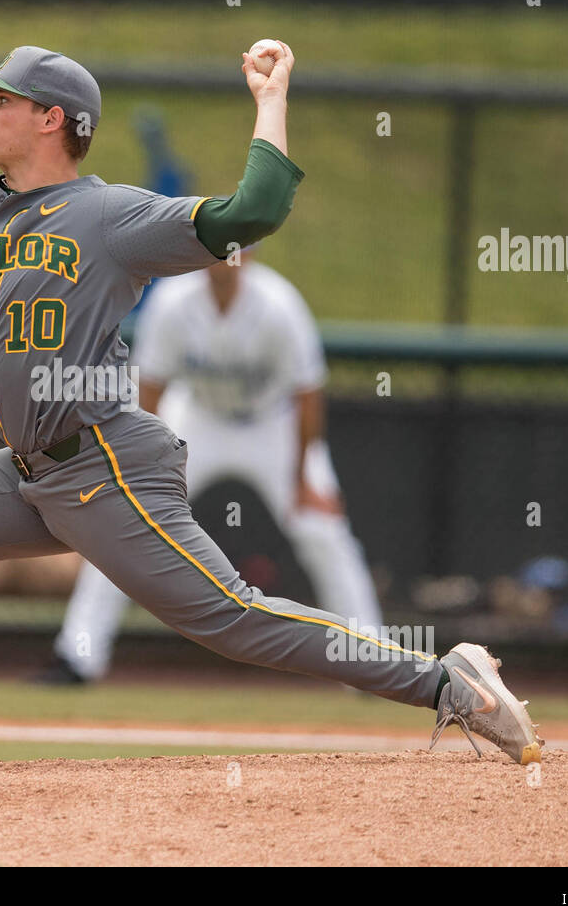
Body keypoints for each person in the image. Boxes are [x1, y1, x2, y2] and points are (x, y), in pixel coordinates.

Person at [0, 43, 543, 771]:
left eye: (1, 98)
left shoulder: (110, 216)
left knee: (234, 619)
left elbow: (249, 214)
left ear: (51, 119)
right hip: (32, 473)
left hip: (107, 467)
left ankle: (446, 679)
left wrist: (270, 102)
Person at [39, 247, 384, 684]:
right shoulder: (173, 303)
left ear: (253, 254)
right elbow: (151, 391)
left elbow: (307, 397)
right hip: (198, 419)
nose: (226, 257)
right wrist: (142, 470)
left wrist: (301, 480)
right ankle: (77, 656)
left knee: (321, 528)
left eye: (238, 246)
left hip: (272, 425)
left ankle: (374, 661)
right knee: (124, 520)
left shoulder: (280, 305)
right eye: (217, 245)